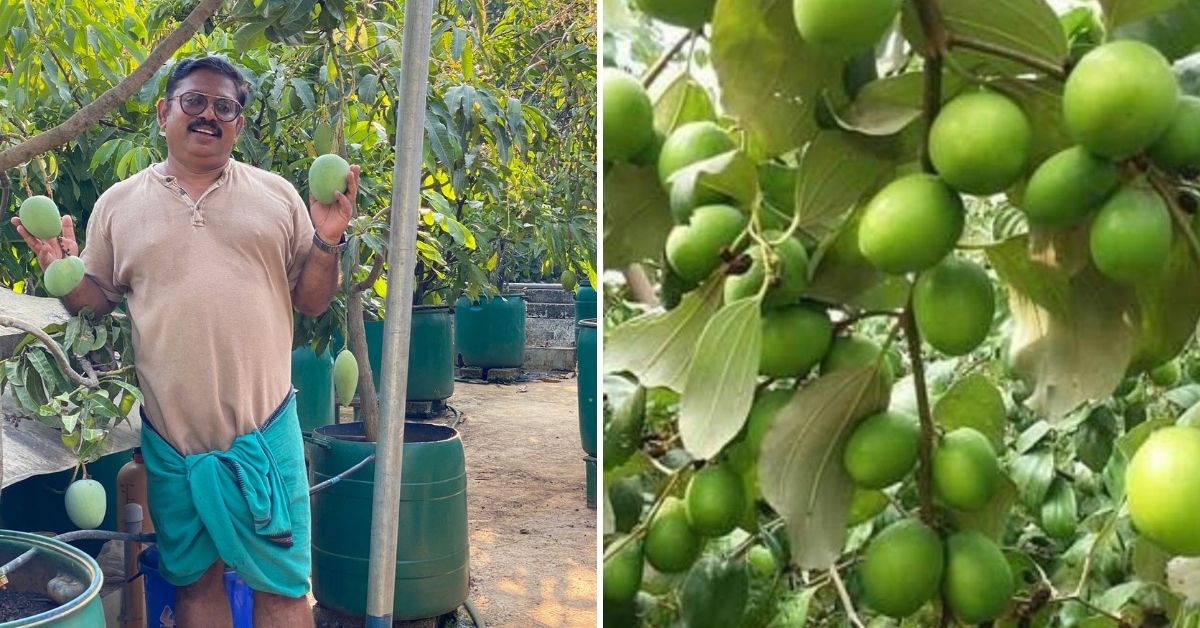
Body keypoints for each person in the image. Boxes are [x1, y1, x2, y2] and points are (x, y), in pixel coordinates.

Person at [11, 55, 359, 628]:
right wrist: (66, 272)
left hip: (263, 440)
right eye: (194, 101)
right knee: (195, 590)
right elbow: (97, 300)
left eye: (225, 107)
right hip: (174, 447)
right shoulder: (120, 205)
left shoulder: (276, 196)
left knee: (284, 592)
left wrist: (325, 241)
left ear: (238, 125)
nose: (209, 115)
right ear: (163, 112)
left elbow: (313, 300)